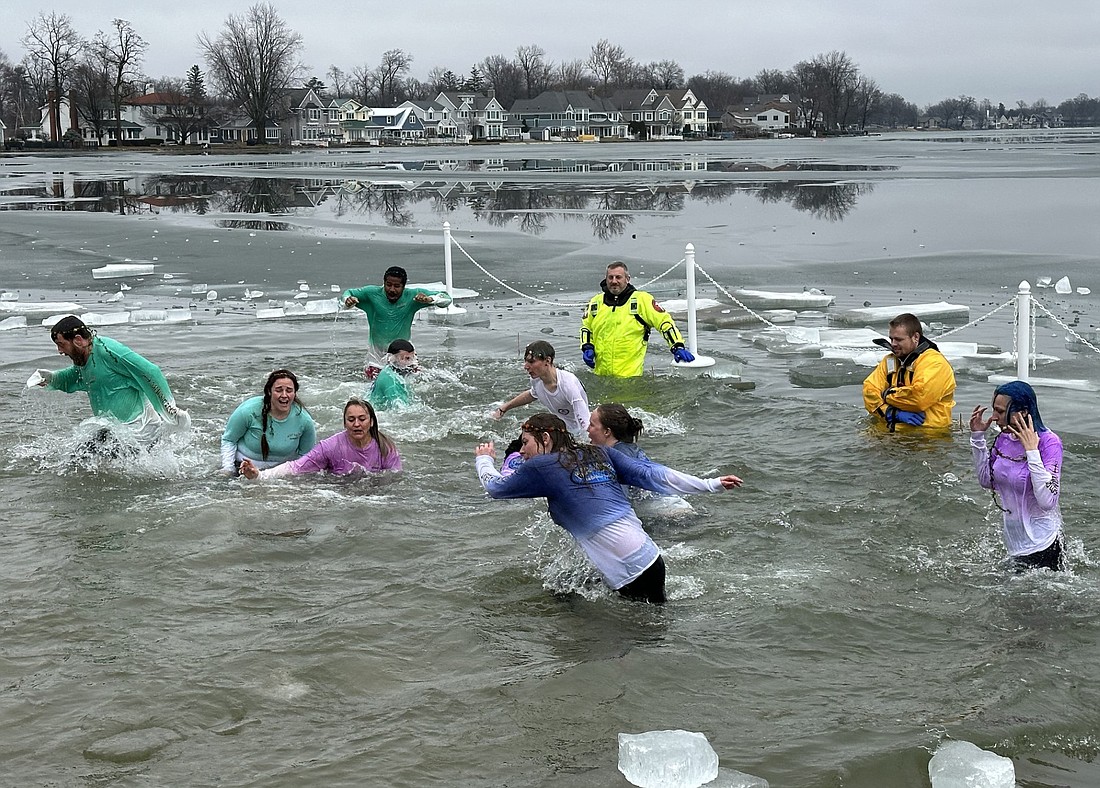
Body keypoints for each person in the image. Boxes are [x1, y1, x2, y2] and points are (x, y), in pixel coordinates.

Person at [474, 413, 742, 604]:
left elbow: (496, 488)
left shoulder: (540, 467)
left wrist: (484, 461)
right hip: (652, 560)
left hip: (630, 574)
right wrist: (710, 484)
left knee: (630, 639)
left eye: (525, 442)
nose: (522, 451)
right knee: (565, 588)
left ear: (545, 437)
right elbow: (653, 474)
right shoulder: (599, 453)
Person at [36, 315, 188, 444]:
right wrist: (51, 378)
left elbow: (150, 372)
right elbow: (76, 377)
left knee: (87, 453)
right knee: (83, 455)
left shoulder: (109, 351)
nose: (60, 351)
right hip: (115, 430)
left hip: (140, 430)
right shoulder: (84, 358)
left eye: (61, 345)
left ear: (78, 340)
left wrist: (169, 408)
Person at [970, 381, 1066, 571]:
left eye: (999, 411)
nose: (994, 418)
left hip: (1044, 545)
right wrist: (977, 438)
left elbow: (1048, 501)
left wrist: (1032, 450)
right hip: (1014, 545)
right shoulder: (1004, 439)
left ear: (1022, 412)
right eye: (994, 410)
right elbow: (986, 481)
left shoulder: (1049, 443)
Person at [579, 261, 695, 378]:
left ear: (627, 279)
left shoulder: (641, 300)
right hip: (600, 376)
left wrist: (677, 346)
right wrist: (587, 347)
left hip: (631, 377)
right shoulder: (595, 303)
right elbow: (586, 327)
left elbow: (664, 322)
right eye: (610, 277)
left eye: (618, 277)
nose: (614, 281)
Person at [241, 398, 401, 480]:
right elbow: (295, 467)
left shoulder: (385, 448)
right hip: (339, 494)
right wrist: (260, 476)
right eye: (351, 420)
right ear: (344, 423)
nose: (357, 424)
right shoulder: (331, 446)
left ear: (371, 421)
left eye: (362, 419)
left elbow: (395, 479)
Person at [862, 312, 956, 430]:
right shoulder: (890, 361)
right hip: (889, 435)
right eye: (891, 339)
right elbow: (869, 390)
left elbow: (919, 397)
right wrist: (890, 412)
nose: (893, 344)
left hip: (928, 438)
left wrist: (885, 394)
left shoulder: (935, 363)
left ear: (916, 337)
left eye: (899, 339)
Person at [221, 369, 317, 475]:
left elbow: (306, 457)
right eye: (279, 390)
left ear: (294, 393)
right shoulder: (248, 411)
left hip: (280, 473)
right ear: (269, 391)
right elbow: (229, 440)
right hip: (243, 467)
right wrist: (228, 469)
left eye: (289, 390)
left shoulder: (304, 420)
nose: (284, 395)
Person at [341, 265, 453, 355]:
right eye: (388, 285)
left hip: (404, 355)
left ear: (404, 286)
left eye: (397, 286)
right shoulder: (372, 294)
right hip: (376, 357)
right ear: (384, 283)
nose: (392, 290)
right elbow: (348, 293)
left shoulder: (412, 296)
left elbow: (447, 299)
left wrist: (430, 299)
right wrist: (348, 300)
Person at [492, 340, 591, 434]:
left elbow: (585, 422)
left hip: (578, 432)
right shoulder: (537, 380)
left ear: (547, 360)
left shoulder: (567, 384)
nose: (525, 366)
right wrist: (504, 408)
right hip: (559, 429)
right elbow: (532, 394)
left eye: (531, 362)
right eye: (526, 361)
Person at [368, 339, 419, 411]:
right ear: (392, 358)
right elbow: (400, 410)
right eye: (407, 358)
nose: (411, 362)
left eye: (412, 358)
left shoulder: (389, 372)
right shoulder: (390, 380)